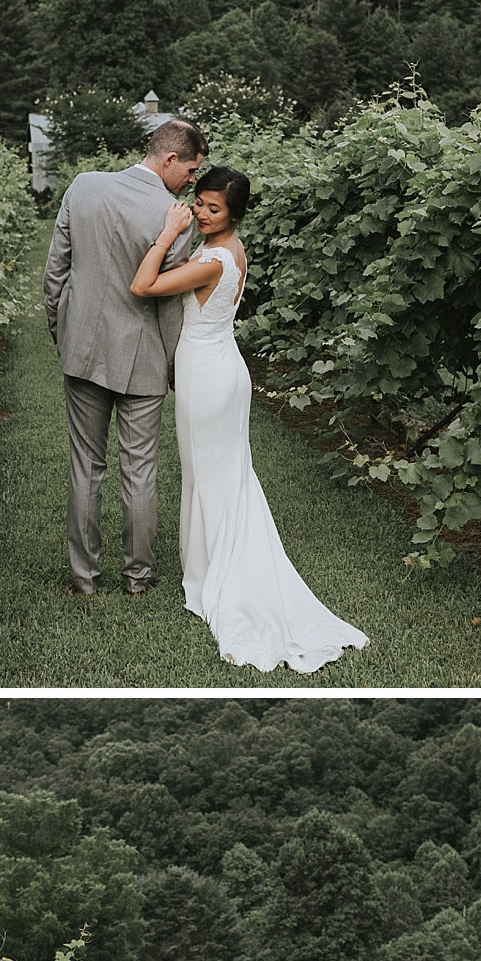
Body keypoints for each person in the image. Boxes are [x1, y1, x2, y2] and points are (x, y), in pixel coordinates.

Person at [130, 167, 370, 673]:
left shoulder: (214, 258)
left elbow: (143, 284)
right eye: (198, 202)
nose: (200, 212)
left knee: (211, 477)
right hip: (219, 366)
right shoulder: (231, 249)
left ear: (233, 215)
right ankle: (205, 565)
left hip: (210, 375)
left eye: (213, 209)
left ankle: (220, 575)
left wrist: (170, 232)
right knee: (215, 476)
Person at [44, 119, 209, 596]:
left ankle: (84, 579)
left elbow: (57, 271)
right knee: (140, 470)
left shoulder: (83, 187)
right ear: (170, 158)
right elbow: (167, 302)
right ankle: (138, 578)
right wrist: (175, 365)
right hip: (143, 356)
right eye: (192, 170)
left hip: (83, 349)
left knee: (85, 465)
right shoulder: (173, 216)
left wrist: (63, 332)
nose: (192, 182)